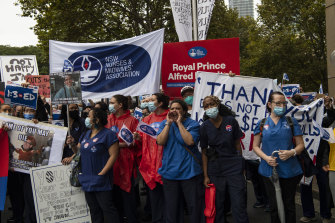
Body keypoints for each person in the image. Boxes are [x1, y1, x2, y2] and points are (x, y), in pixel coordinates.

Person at [253, 91, 305, 223]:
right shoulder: (261, 123)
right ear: (270, 104)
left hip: (289, 170)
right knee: (274, 206)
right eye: (278, 103)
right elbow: (255, 146)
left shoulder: (291, 121)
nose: (281, 106)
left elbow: (300, 145)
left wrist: (291, 152)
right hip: (268, 171)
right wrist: (266, 158)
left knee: (289, 205)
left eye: (284, 103)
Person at [200, 95, 249, 223]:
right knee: (218, 204)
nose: (209, 107)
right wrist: (205, 175)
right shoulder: (204, 126)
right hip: (215, 168)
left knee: (238, 202)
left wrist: (241, 164)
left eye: (212, 104)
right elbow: (204, 152)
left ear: (218, 104)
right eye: (206, 106)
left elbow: (237, 144)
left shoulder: (230, 121)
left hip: (234, 166)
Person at [67, 108, 120, 223]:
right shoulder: (86, 134)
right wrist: (72, 145)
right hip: (87, 178)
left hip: (101, 179)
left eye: (89, 116)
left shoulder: (109, 135)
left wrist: (102, 173)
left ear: (97, 119)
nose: (86, 118)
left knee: (107, 209)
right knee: (94, 210)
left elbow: (113, 156)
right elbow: (78, 152)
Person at [156, 99, 203, 223]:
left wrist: (179, 124)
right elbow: (160, 141)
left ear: (184, 111)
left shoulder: (193, 124)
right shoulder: (164, 124)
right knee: (172, 209)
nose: (174, 111)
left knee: (194, 208)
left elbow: (190, 141)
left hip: (189, 173)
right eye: (172, 109)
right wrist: (168, 124)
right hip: (170, 173)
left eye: (178, 108)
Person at [299, 95, 335, 223]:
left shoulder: (322, 121)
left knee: (324, 187)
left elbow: (331, 118)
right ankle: (308, 214)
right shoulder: (302, 120)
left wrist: (329, 108)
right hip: (305, 160)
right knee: (305, 187)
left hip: (320, 160)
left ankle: (326, 215)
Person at [137, 93, 170, 223]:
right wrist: (138, 138)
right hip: (150, 167)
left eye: (152, 100)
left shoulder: (170, 116)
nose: (148, 102)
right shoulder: (146, 120)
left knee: (169, 200)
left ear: (160, 103)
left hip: (167, 165)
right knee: (155, 199)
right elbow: (141, 141)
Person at [106, 95, 139, 223]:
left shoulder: (132, 120)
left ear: (120, 105)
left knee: (128, 195)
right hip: (111, 163)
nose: (110, 104)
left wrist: (116, 145)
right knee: (114, 197)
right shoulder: (108, 119)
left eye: (112, 102)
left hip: (126, 163)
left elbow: (135, 142)